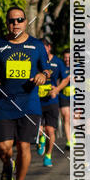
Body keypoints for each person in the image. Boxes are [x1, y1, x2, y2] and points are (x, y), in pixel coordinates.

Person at [0, 6, 51, 180]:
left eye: (19, 20)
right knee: (3, 147)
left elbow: (47, 70)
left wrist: (42, 75)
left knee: (24, 146)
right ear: (7, 23)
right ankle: (6, 164)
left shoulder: (37, 46)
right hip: (4, 103)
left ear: (26, 21)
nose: (15, 24)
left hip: (29, 104)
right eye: (12, 21)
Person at [36, 39, 69, 167]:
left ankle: (48, 155)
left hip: (52, 101)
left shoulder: (58, 62)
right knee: (38, 129)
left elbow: (66, 79)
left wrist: (57, 89)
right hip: (37, 101)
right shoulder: (36, 61)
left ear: (49, 47)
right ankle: (41, 139)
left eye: (44, 48)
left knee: (50, 130)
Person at [58, 48, 74, 148]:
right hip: (64, 96)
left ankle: (74, 135)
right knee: (66, 117)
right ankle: (69, 141)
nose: (67, 59)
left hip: (76, 97)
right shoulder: (60, 67)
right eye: (65, 57)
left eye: (69, 57)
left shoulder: (78, 67)